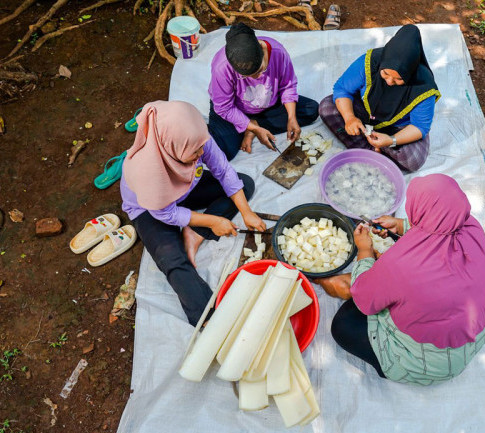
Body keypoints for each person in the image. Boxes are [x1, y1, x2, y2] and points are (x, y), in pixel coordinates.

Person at [326, 174, 485, 385]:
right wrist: (403, 226)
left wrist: (365, 249)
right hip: (472, 337)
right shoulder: (472, 227)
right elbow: (440, 226)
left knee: (344, 324)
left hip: (426, 364)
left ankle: (396, 364)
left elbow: (364, 300)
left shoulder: (401, 265)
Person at [120, 100, 266, 326]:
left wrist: (246, 212)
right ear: (172, 150)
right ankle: (209, 318)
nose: (201, 154)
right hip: (151, 209)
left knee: (243, 184)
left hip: (185, 188)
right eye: (194, 152)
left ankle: (193, 233)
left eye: (201, 147)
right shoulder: (147, 170)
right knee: (173, 260)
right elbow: (165, 214)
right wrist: (212, 220)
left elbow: (223, 170)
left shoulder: (195, 138)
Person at [319, 24, 440, 172]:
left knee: (413, 160)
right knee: (326, 107)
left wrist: (391, 140)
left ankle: (371, 148)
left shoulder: (424, 87)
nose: (389, 82)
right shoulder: (370, 62)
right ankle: (372, 150)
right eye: (385, 74)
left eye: (398, 79)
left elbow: (419, 127)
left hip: (399, 127)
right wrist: (350, 118)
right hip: (365, 112)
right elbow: (342, 89)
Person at [208, 23, 319, 160]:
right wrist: (253, 128)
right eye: (247, 76)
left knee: (311, 109)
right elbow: (224, 107)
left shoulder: (278, 52)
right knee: (221, 151)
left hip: (267, 105)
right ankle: (249, 125)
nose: (257, 78)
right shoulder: (222, 67)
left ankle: (252, 124)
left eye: (260, 70)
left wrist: (291, 117)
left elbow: (287, 85)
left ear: (262, 49)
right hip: (234, 109)